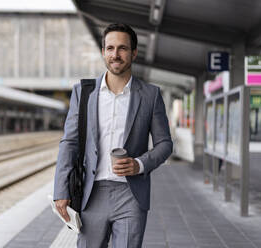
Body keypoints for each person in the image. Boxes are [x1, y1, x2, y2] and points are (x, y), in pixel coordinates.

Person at [53, 23, 173, 248]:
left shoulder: (150, 95)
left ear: (134, 53)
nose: (115, 55)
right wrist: (60, 190)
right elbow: (69, 142)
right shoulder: (84, 92)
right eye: (110, 48)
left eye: (122, 48)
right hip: (91, 194)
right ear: (103, 52)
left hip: (131, 195)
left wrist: (139, 164)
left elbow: (165, 144)